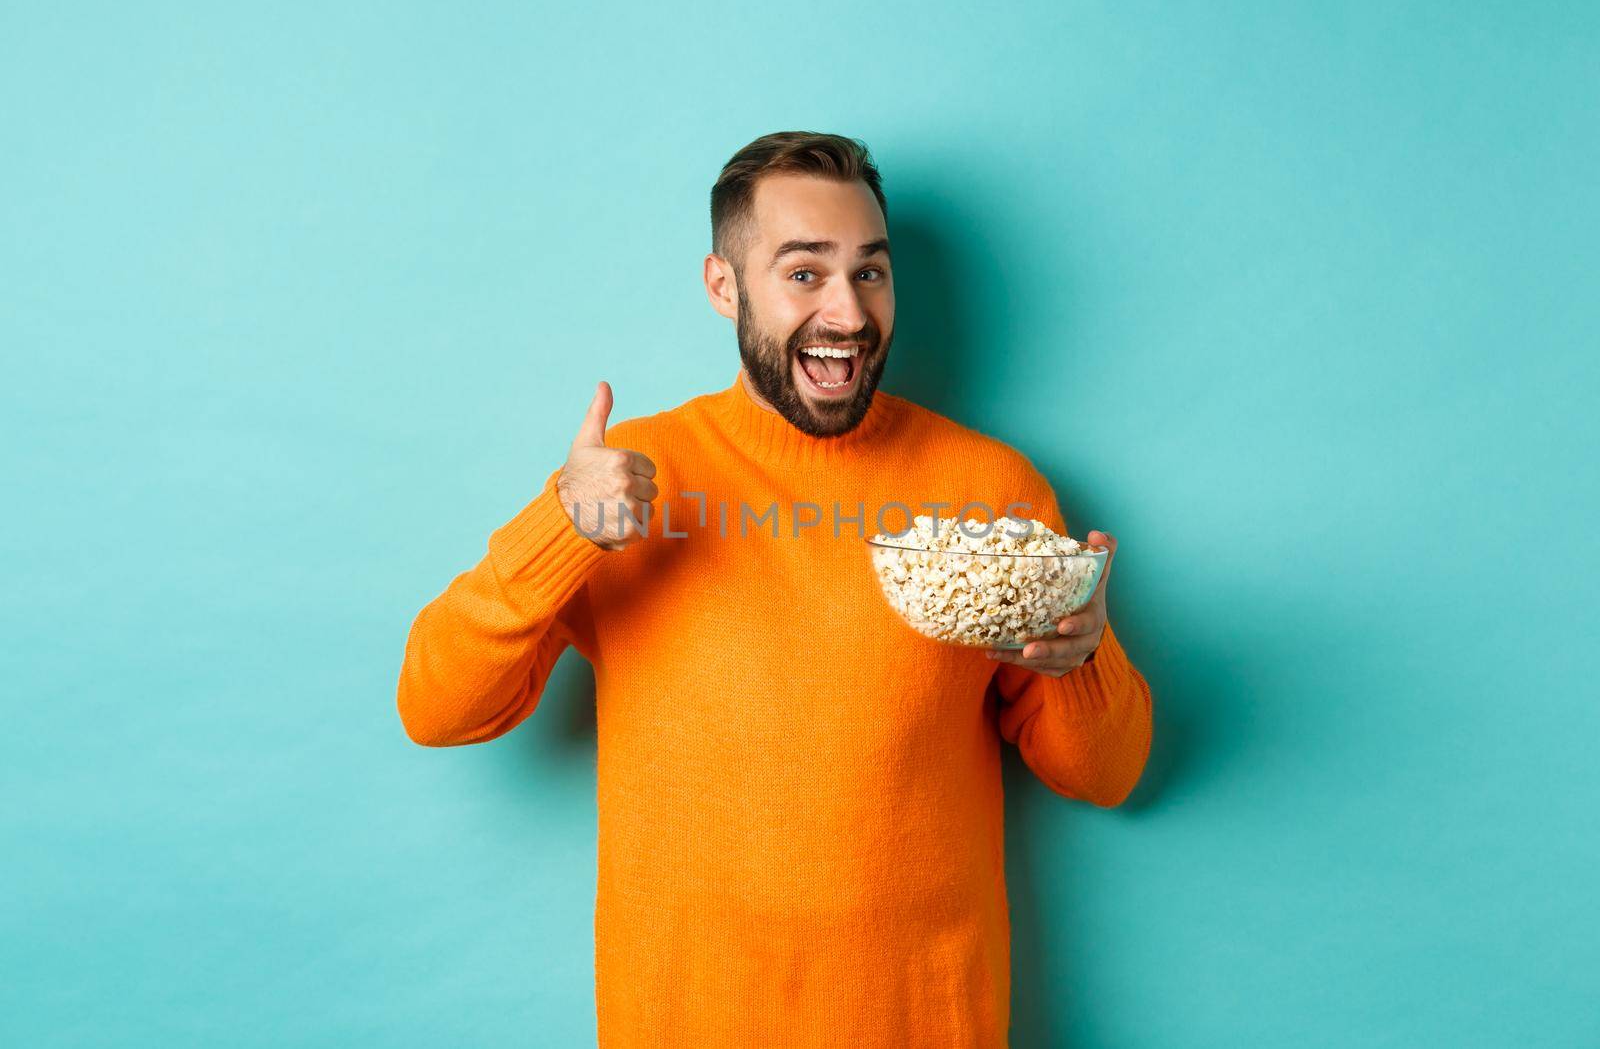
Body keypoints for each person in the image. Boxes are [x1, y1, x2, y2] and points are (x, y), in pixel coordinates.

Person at [397, 130, 1153, 1048]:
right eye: (804, 274)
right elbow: (436, 706)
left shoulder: (989, 489)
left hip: (922, 1020)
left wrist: (1082, 652)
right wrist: (559, 525)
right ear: (725, 287)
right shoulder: (635, 476)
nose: (848, 311)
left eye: (870, 273)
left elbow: (1106, 775)